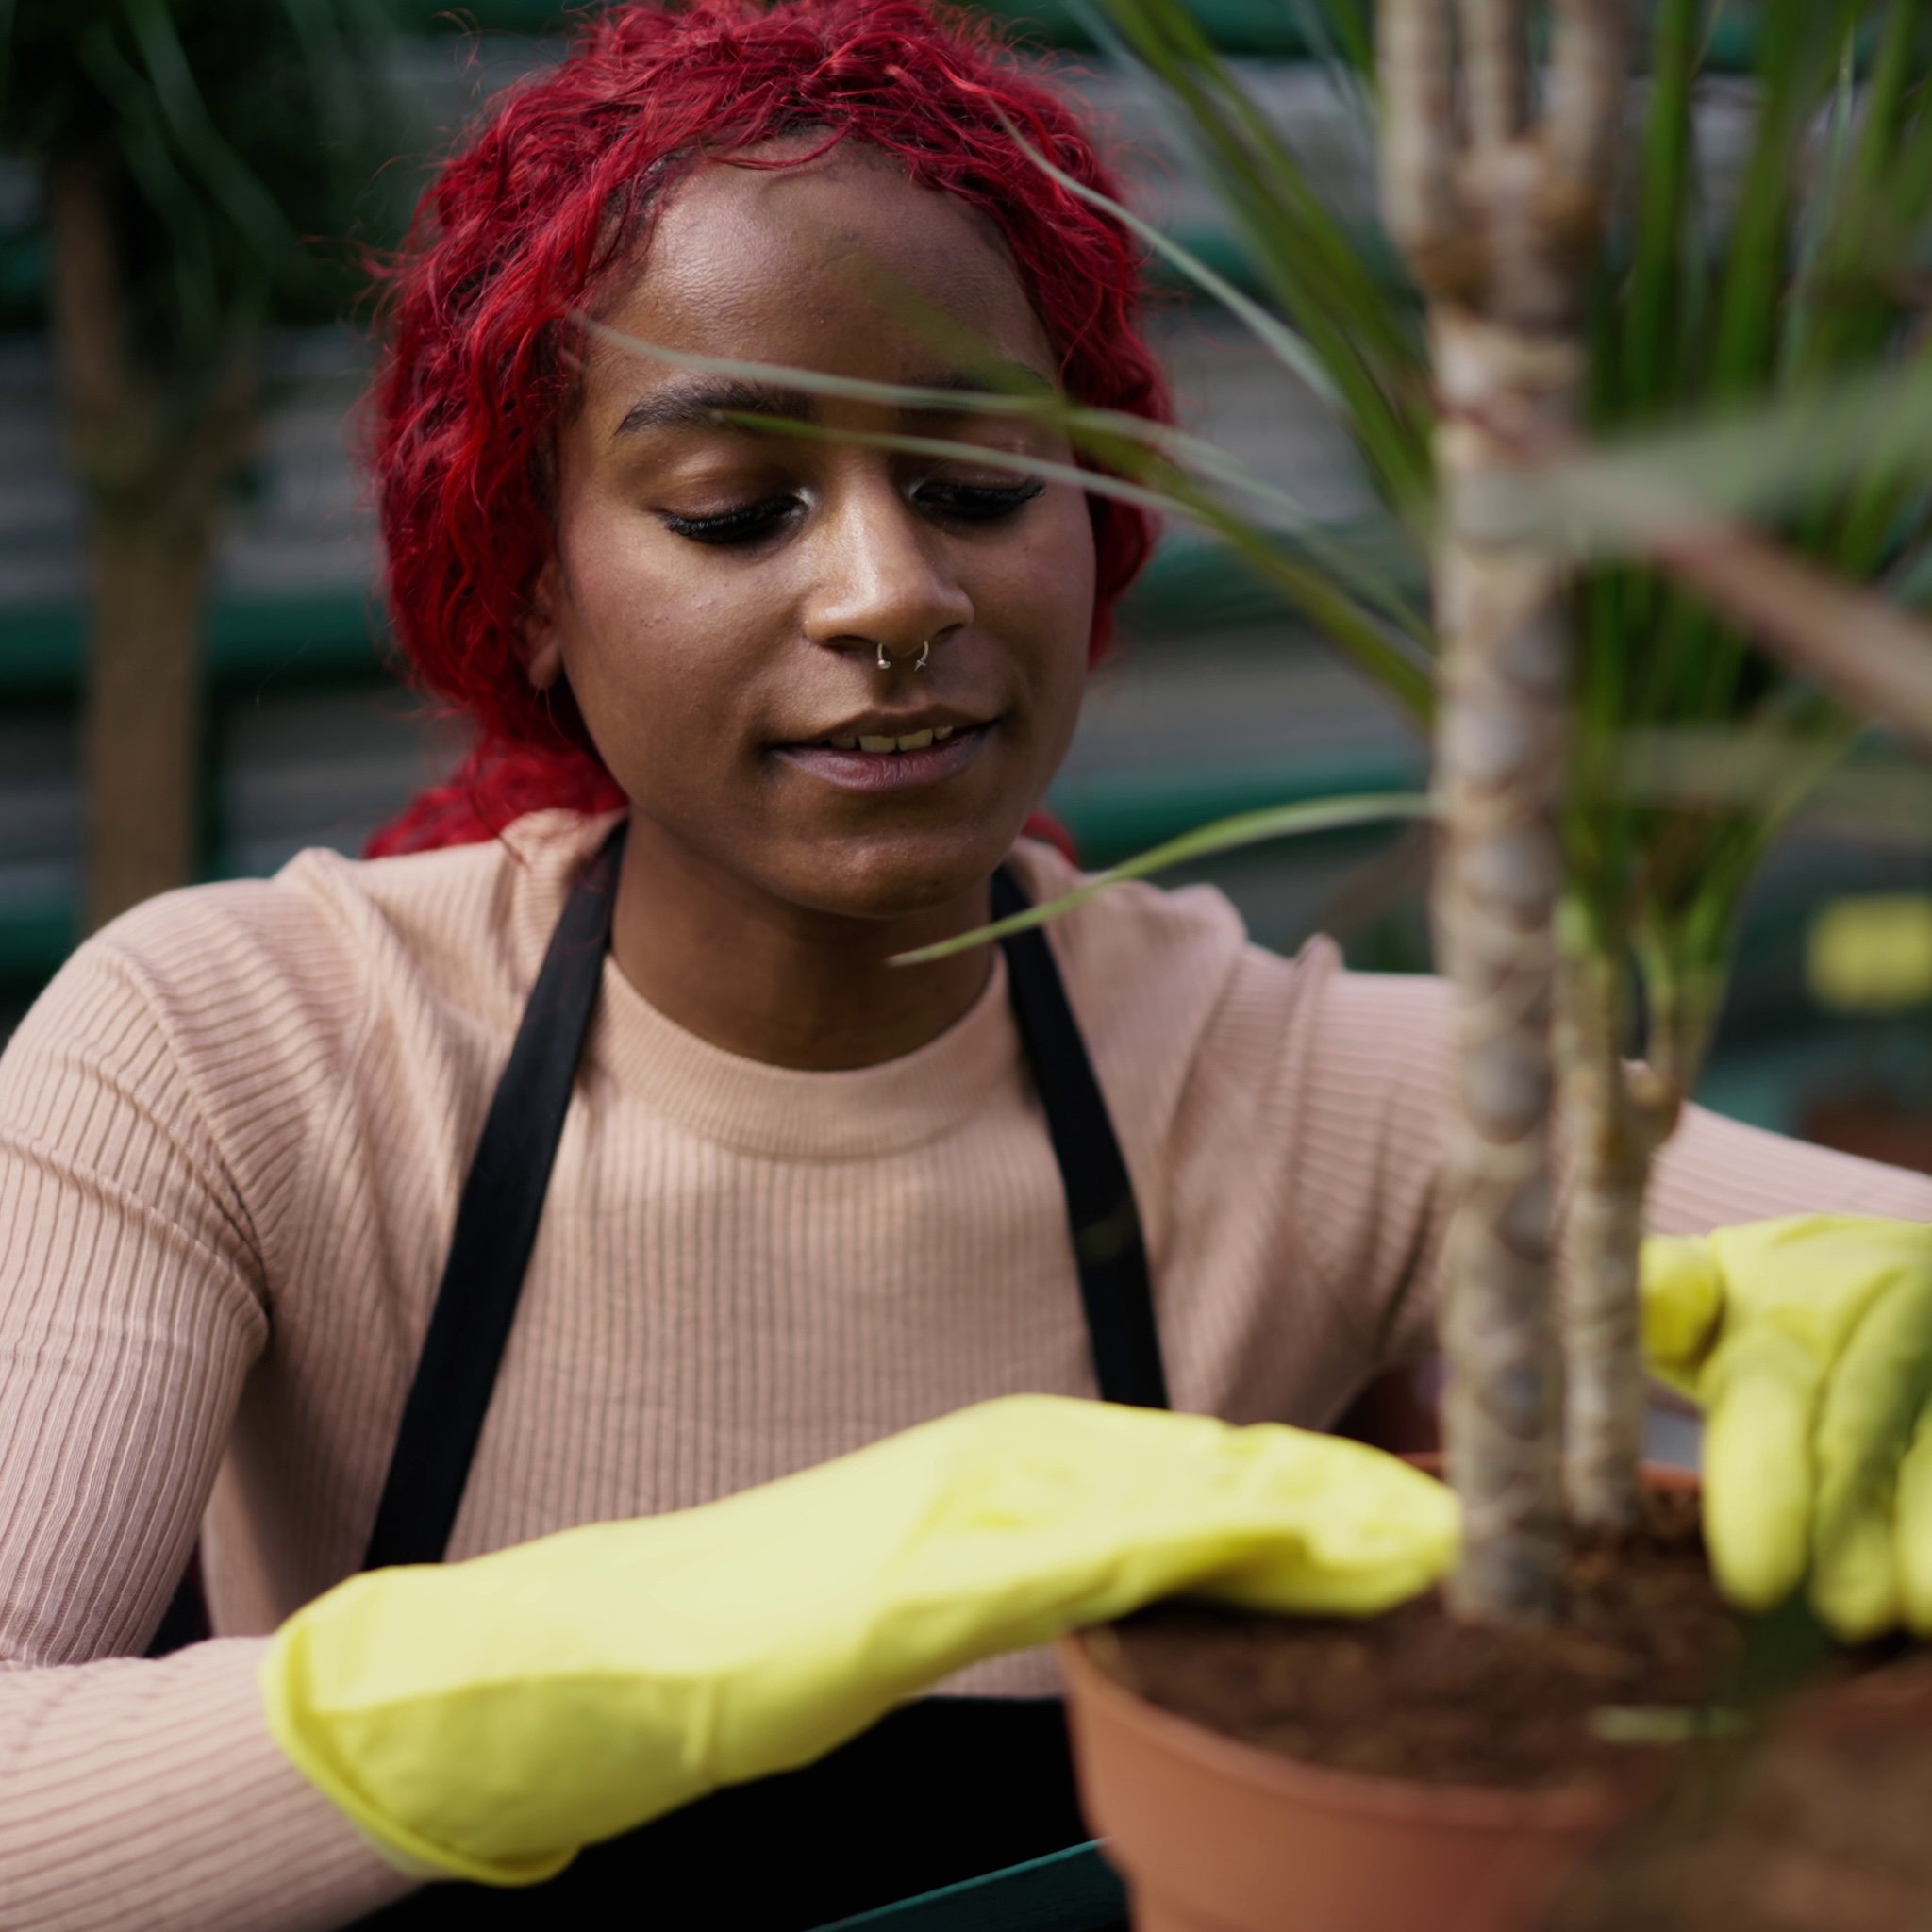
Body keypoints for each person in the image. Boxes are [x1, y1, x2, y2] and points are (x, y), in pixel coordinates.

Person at [2, 3, 1929, 1927]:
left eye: (979, 485)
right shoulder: (230, 1054)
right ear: (524, 583)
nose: (890, 595)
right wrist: (708, 1617)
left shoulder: (1299, 1096)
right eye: (735, 507)